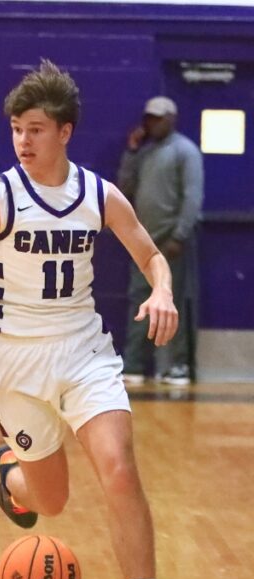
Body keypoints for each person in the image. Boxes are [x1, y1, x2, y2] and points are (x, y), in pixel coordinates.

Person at [0, 60, 180, 579]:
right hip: (16, 363)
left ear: (65, 131)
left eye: (36, 129)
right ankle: (13, 475)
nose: (23, 141)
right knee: (50, 502)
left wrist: (162, 290)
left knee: (119, 469)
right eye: (17, 129)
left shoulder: (98, 194)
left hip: (83, 352)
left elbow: (151, 255)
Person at [117, 96, 204, 386]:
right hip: (144, 244)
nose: (152, 123)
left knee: (173, 302)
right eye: (149, 119)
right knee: (138, 302)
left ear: (171, 119)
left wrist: (179, 235)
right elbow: (124, 190)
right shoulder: (144, 153)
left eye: (157, 118)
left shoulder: (185, 151)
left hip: (170, 243)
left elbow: (192, 198)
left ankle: (177, 366)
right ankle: (134, 365)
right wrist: (131, 151)